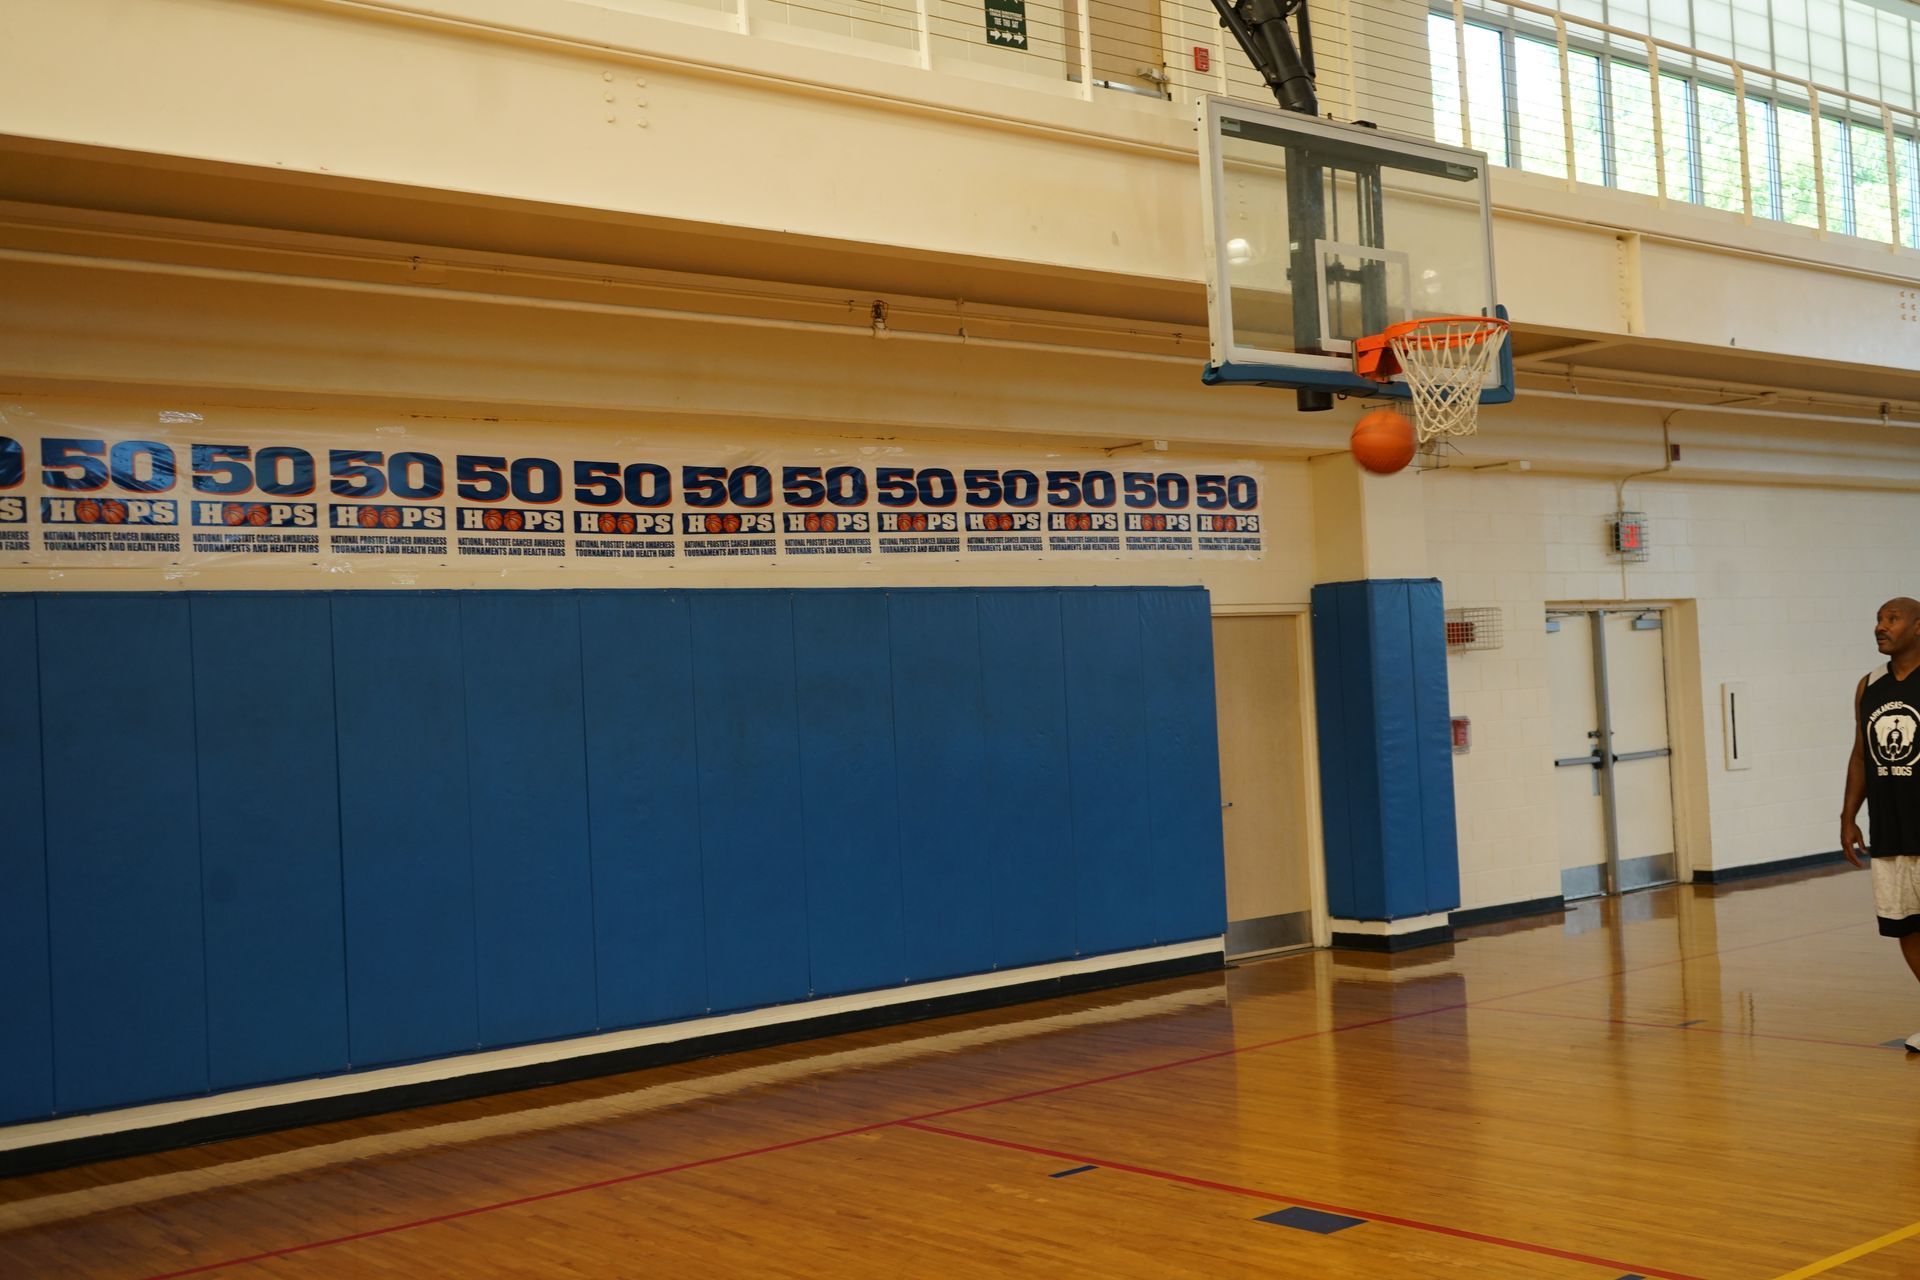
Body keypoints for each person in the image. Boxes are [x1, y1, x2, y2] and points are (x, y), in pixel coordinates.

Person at [1842, 597, 1920, 1049]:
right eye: (1878, 619)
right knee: (1905, 926)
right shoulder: (1869, 685)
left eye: (1892, 618)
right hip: (1889, 827)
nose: (1880, 626)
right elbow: (1860, 754)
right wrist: (1848, 815)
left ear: (1919, 627)